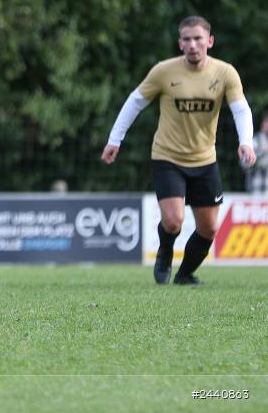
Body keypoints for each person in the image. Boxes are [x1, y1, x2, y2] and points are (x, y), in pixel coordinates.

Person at [101, 16, 255, 285]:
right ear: (180, 43)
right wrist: (115, 139)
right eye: (187, 39)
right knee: (173, 221)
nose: (193, 44)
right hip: (167, 156)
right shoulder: (164, 71)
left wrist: (246, 141)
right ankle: (164, 253)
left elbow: (240, 108)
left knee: (208, 228)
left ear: (210, 41)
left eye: (198, 38)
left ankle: (185, 274)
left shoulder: (225, 73)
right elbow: (135, 102)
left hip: (205, 159)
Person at [243, 111, 268, 194]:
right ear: (263, 123)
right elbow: (244, 163)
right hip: (256, 191)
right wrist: (262, 152)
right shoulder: (255, 140)